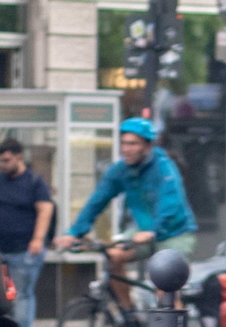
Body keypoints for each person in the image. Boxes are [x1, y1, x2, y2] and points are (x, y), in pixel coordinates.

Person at [57, 117, 198, 309]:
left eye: (133, 144)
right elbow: (97, 201)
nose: (126, 149)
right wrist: (74, 233)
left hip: (174, 233)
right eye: (123, 143)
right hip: (143, 230)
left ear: (147, 146)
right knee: (114, 257)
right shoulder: (121, 171)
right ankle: (130, 315)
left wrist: (154, 231)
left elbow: (169, 201)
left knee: (165, 286)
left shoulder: (163, 167)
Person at [0, 137, 54, 327]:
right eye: (0, 161)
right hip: (1, 248)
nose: (2, 165)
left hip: (25, 249)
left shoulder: (34, 181)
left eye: (6, 160)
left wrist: (38, 239)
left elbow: (46, 209)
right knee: (3, 293)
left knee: (22, 293)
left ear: (19, 157)